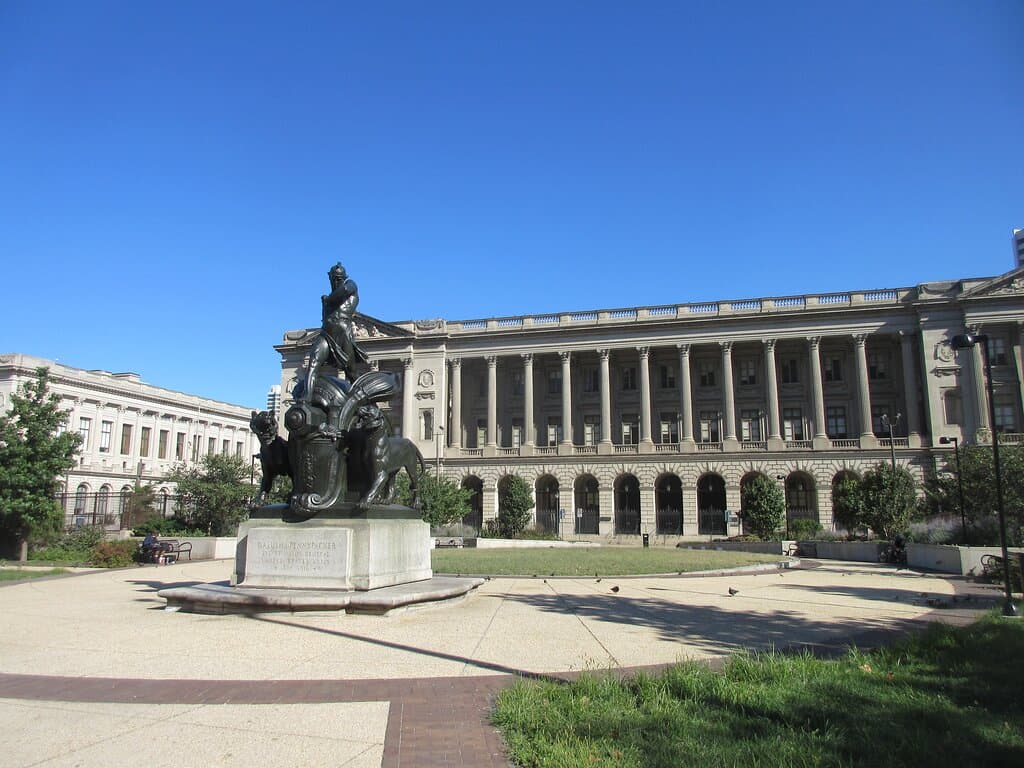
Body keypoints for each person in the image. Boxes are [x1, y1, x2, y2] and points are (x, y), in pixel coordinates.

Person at [300, 263, 368, 399]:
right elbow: (325, 319)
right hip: (326, 334)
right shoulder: (326, 300)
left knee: (351, 373)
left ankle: (367, 402)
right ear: (329, 278)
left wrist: (328, 300)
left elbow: (345, 290)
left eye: (339, 278)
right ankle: (306, 399)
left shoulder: (351, 286)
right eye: (334, 278)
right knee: (313, 363)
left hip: (343, 334)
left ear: (344, 278)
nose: (336, 281)